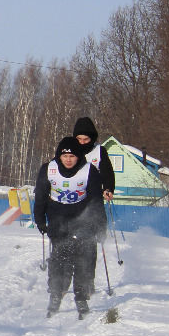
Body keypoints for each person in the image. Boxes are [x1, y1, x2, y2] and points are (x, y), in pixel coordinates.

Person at [33, 136, 107, 318]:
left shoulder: (89, 171)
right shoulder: (48, 170)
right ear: (59, 156)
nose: (68, 159)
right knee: (59, 260)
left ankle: (81, 297)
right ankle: (56, 296)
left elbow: (97, 201)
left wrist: (100, 226)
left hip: (84, 220)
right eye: (64, 156)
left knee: (83, 261)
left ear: (78, 156)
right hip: (58, 220)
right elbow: (41, 196)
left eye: (72, 156)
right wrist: (40, 219)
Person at [72, 117, 116, 201]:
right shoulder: (69, 151)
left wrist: (108, 188)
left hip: (93, 196)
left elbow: (107, 173)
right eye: (79, 139)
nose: (82, 143)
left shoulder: (99, 151)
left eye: (85, 139)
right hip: (72, 196)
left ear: (92, 139)